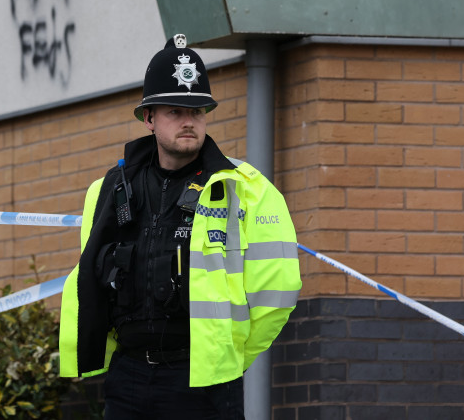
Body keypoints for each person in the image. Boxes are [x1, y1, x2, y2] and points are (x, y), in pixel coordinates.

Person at [58, 34, 301, 419]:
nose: (189, 121)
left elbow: (278, 293)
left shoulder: (248, 189)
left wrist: (227, 357)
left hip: (203, 383)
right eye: (175, 111)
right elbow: (91, 279)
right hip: (128, 377)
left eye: (198, 111)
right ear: (149, 118)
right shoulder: (107, 191)